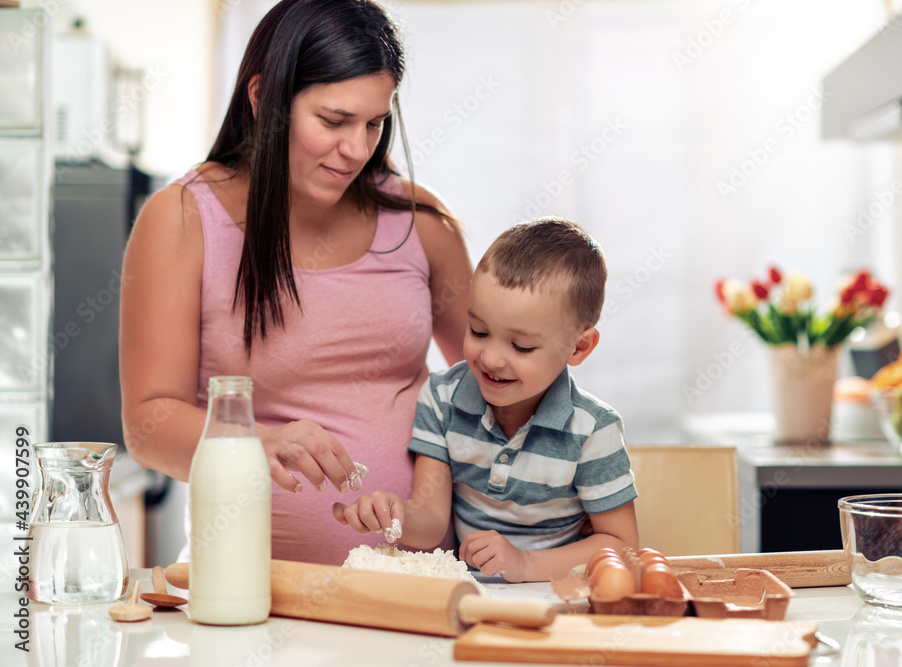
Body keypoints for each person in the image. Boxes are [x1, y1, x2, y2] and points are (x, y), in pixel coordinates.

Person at [119, 0, 472, 565]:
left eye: (375, 123)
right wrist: (249, 443)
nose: (357, 149)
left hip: (413, 588)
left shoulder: (421, 221)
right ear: (263, 99)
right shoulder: (183, 221)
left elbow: (496, 387)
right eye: (333, 121)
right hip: (249, 589)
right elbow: (147, 425)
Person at [333, 218, 639, 582]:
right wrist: (394, 513)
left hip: (557, 601)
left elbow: (623, 547)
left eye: (521, 346)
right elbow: (431, 521)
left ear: (578, 347)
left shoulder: (593, 430)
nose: (491, 359)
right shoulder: (443, 398)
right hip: (471, 599)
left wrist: (525, 564)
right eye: (478, 331)